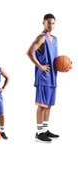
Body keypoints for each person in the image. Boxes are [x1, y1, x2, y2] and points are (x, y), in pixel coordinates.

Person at [27, 13, 60, 143]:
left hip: (53, 76)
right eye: (48, 23)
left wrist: (64, 66)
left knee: (49, 105)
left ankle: (45, 129)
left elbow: (56, 59)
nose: (50, 25)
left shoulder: (55, 39)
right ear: (43, 23)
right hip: (44, 77)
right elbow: (29, 52)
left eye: (52, 23)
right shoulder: (41, 37)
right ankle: (38, 133)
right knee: (42, 105)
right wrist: (40, 66)